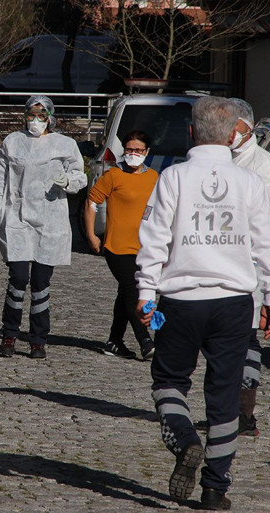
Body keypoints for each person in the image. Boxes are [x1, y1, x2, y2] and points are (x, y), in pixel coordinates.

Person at [134, 96, 270, 510]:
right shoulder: (250, 183)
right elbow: (267, 243)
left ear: (191, 132)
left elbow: (153, 239)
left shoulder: (173, 176)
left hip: (181, 300)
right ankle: (216, 488)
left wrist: (147, 292)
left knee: (168, 381)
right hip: (235, 303)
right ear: (233, 134)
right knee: (223, 396)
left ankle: (184, 441)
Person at [0, 95, 87, 359]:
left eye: (41, 115)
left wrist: (68, 181)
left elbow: (80, 176)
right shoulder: (13, 142)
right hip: (17, 218)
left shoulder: (64, 144)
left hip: (49, 222)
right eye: (31, 114)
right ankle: (9, 335)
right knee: (18, 278)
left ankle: (38, 339)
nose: (35, 120)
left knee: (41, 283)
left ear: (51, 118)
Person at [229, 97, 270, 437]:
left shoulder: (266, 166)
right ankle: (223, 410)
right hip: (219, 263)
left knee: (247, 340)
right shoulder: (219, 159)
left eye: (232, 127)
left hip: (249, 265)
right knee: (222, 342)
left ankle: (245, 415)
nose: (227, 134)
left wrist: (268, 286)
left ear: (247, 127)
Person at [84, 130, 158, 360]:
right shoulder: (113, 176)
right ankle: (145, 340)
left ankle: (114, 341)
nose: (133, 154)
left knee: (125, 293)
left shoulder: (155, 177)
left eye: (138, 150)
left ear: (146, 152)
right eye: (129, 150)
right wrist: (92, 235)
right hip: (117, 247)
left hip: (145, 248)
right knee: (132, 291)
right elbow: (91, 202)